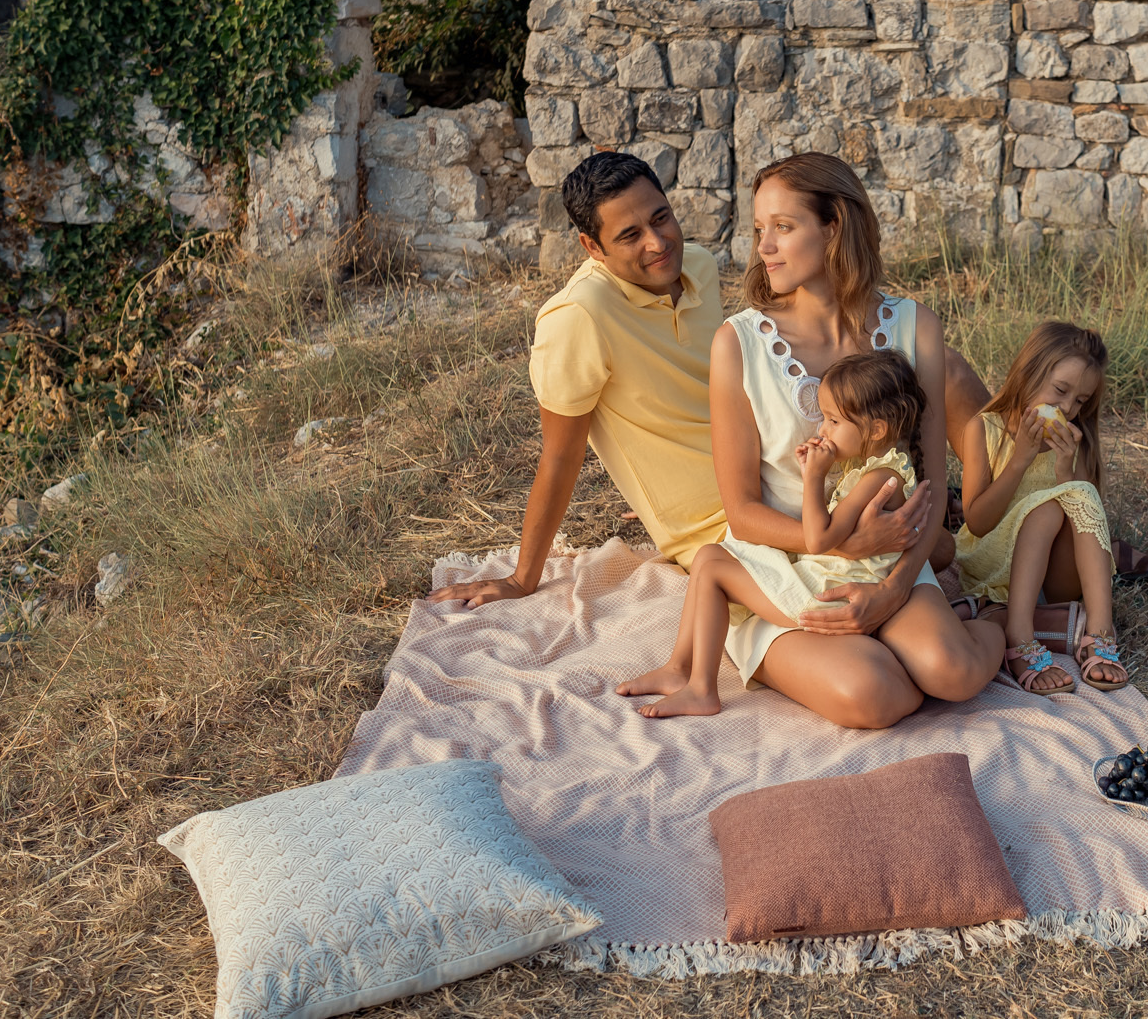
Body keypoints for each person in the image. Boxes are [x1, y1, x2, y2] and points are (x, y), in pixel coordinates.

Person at [423, 151, 928, 609]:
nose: (658, 242)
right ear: (590, 246)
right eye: (629, 235)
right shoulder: (577, 317)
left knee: (919, 364)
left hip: (776, 476)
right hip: (725, 524)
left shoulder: (700, 269)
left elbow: (742, 384)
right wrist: (522, 578)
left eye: (661, 217)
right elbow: (560, 455)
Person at [618, 154, 1005, 728]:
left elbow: (929, 489)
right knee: (875, 697)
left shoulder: (914, 327)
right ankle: (770, 645)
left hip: (886, 561)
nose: (763, 248)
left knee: (953, 674)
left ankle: (994, 617)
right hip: (781, 566)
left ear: (834, 227)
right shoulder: (738, 343)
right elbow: (743, 514)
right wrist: (839, 545)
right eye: (757, 231)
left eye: (783, 227)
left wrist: (896, 590)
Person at [617, 349, 929, 718]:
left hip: (828, 599)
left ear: (876, 429)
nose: (822, 431)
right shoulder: (886, 469)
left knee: (712, 569)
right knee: (710, 556)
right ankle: (677, 670)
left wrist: (812, 477)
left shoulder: (879, 479)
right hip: (828, 580)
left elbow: (818, 539)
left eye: (832, 421)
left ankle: (701, 687)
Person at [954, 322, 1128, 694]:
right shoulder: (984, 429)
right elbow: (978, 522)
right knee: (1047, 509)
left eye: (1080, 401)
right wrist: (1018, 461)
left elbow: (1087, 523)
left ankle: (1100, 633)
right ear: (1029, 373)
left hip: (1052, 579)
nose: (1067, 408)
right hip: (994, 561)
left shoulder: (1073, 443)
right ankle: (1020, 635)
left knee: (1078, 496)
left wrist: (1067, 472)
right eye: (1061, 391)